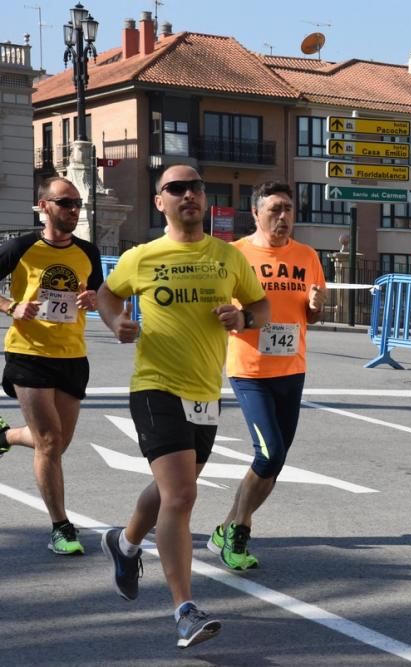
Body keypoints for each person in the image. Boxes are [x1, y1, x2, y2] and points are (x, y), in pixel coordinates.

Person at [96, 165, 269, 648]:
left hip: (204, 395)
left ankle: (125, 543)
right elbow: (109, 296)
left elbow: (261, 309)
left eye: (194, 187)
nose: (187, 194)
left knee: (175, 488)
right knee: (181, 497)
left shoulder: (227, 258)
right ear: (160, 202)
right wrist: (115, 323)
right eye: (175, 188)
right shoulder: (142, 257)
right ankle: (184, 610)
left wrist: (243, 316)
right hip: (154, 387)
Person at [205, 181, 326, 570]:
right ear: (256, 213)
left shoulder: (307, 256)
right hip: (250, 369)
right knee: (269, 451)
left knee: (274, 460)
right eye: (274, 209)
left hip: (292, 368)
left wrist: (315, 305)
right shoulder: (234, 254)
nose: (283, 217)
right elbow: (217, 308)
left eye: (288, 209)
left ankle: (226, 527)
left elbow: (312, 314)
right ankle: (239, 534)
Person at [0, 176, 102, 554]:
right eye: (65, 203)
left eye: (78, 204)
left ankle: (6, 436)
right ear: (44, 206)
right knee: (48, 441)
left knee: (58, 445)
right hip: (29, 353)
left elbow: (98, 293)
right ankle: (61, 526)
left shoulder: (88, 252)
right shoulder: (20, 246)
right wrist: (12, 306)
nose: (74, 210)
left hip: (72, 355)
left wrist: (94, 299)